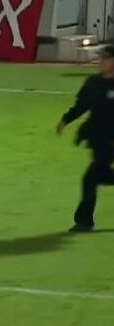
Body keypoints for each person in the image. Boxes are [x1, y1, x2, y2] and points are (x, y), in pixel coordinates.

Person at [57, 45, 114, 232]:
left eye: (106, 58)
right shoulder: (93, 83)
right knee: (101, 175)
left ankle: (84, 222)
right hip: (97, 138)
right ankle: (84, 221)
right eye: (101, 58)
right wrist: (66, 120)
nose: (101, 61)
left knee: (90, 179)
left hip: (111, 141)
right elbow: (81, 105)